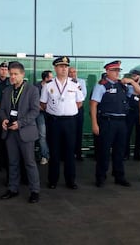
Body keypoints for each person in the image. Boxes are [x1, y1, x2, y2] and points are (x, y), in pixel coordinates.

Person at [91, 61, 140, 187]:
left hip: (121, 122)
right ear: (107, 71)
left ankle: (119, 176)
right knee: (104, 151)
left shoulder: (123, 86)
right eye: (114, 70)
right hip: (107, 121)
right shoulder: (102, 85)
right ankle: (101, 177)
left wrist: (132, 82)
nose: (117, 73)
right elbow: (93, 104)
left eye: (118, 70)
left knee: (119, 151)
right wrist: (94, 123)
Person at [0, 61, 40, 203]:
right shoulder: (7, 91)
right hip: (10, 132)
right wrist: (4, 119)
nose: (12, 77)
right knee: (13, 162)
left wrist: (20, 123)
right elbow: (2, 109)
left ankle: (35, 191)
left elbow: (35, 110)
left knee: (29, 162)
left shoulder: (32, 90)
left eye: (16, 74)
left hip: (25, 131)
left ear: (23, 74)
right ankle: (13, 188)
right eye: (11, 74)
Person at [40, 56, 84, 190]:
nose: (64, 69)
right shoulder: (48, 85)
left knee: (70, 152)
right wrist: (55, 111)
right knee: (54, 152)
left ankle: (70, 180)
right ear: (55, 68)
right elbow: (42, 103)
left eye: (66, 66)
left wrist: (68, 111)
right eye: (61, 66)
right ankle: (53, 180)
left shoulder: (75, 84)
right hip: (54, 122)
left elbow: (79, 102)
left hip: (70, 122)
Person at [124, 69, 140, 160]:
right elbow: (133, 94)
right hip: (130, 111)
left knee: (139, 134)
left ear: (139, 76)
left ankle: (137, 154)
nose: (132, 77)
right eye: (132, 75)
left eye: (135, 75)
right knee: (127, 133)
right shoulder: (128, 85)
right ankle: (126, 153)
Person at [68, 67, 87, 161]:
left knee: (78, 131)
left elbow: (83, 95)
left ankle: (78, 153)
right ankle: (67, 154)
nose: (72, 74)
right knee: (68, 132)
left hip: (78, 109)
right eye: (70, 72)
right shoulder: (64, 82)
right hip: (67, 110)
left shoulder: (81, 82)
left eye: (74, 72)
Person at [34, 70, 53, 165]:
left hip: (51, 114)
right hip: (40, 113)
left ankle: (52, 154)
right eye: (50, 77)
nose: (52, 79)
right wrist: (45, 108)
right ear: (46, 79)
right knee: (42, 135)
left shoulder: (53, 86)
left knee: (51, 135)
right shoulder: (36, 87)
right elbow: (35, 102)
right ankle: (44, 156)